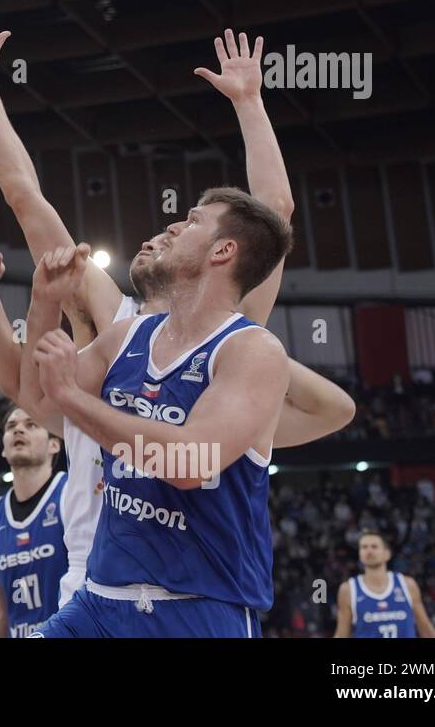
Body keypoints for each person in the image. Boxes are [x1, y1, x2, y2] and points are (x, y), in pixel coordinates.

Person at [0, 25, 355, 606]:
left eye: (177, 231)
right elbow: (26, 197)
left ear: (212, 257)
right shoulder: (119, 322)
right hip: (94, 573)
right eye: (161, 231)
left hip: (190, 583)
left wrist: (251, 104)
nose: (162, 235)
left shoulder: (234, 338)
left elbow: (275, 217)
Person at [23, 186, 293, 637]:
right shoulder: (128, 335)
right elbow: (39, 401)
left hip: (199, 610)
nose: (172, 226)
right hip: (98, 602)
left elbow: (190, 462)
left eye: (191, 222)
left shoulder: (252, 350)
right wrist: (44, 305)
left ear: (224, 250)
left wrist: (73, 397)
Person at [0, 407, 66, 638]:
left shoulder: (70, 493)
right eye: (11, 426)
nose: (18, 429)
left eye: (31, 424)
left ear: (54, 445)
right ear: (4, 450)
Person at [334, 529, 435, 638]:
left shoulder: (407, 584)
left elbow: (425, 628)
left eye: (374, 546)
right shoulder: (348, 590)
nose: (369, 551)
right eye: (364, 547)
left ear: (387, 554)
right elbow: (342, 634)